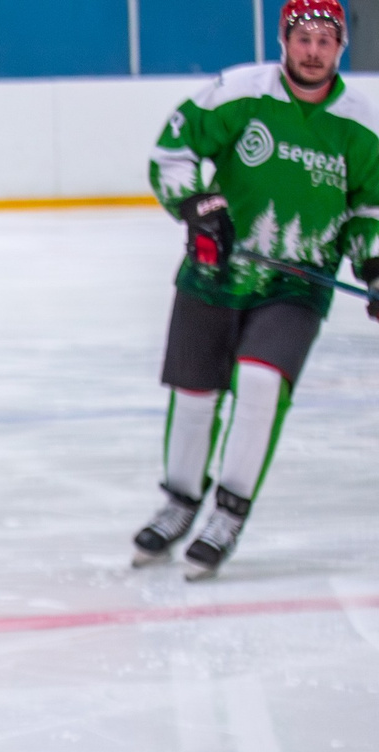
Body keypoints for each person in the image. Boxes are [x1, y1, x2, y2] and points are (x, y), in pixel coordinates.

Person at [136, 0, 377, 578]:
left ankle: (228, 512)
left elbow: (370, 207)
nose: (313, 51)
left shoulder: (360, 123)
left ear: (341, 47)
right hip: (214, 270)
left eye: (326, 40)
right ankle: (179, 502)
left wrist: (375, 266)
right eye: (304, 39)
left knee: (264, 382)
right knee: (194, 398)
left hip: (295, 286)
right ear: (284, 41)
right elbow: (174, 151)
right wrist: (197, 203)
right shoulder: (239, 91)